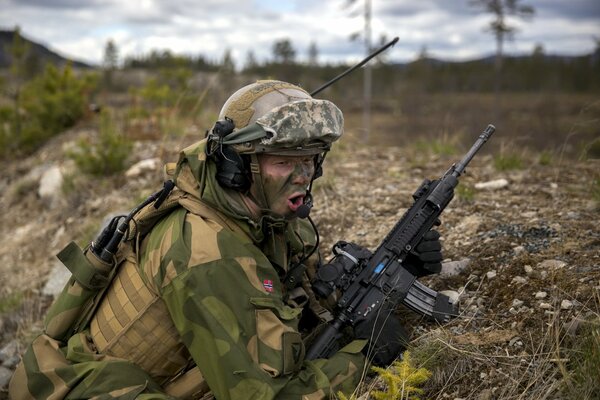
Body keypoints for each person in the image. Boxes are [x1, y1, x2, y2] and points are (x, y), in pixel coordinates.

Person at [10, 80, 443, 399]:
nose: (304, 174)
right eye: (284, 161)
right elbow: (268, 396)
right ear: (238, 165)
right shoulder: (206, 250)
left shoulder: (265, 215)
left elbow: (299, 298)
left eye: (311, 159)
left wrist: (398, 271)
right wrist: (361, 357)